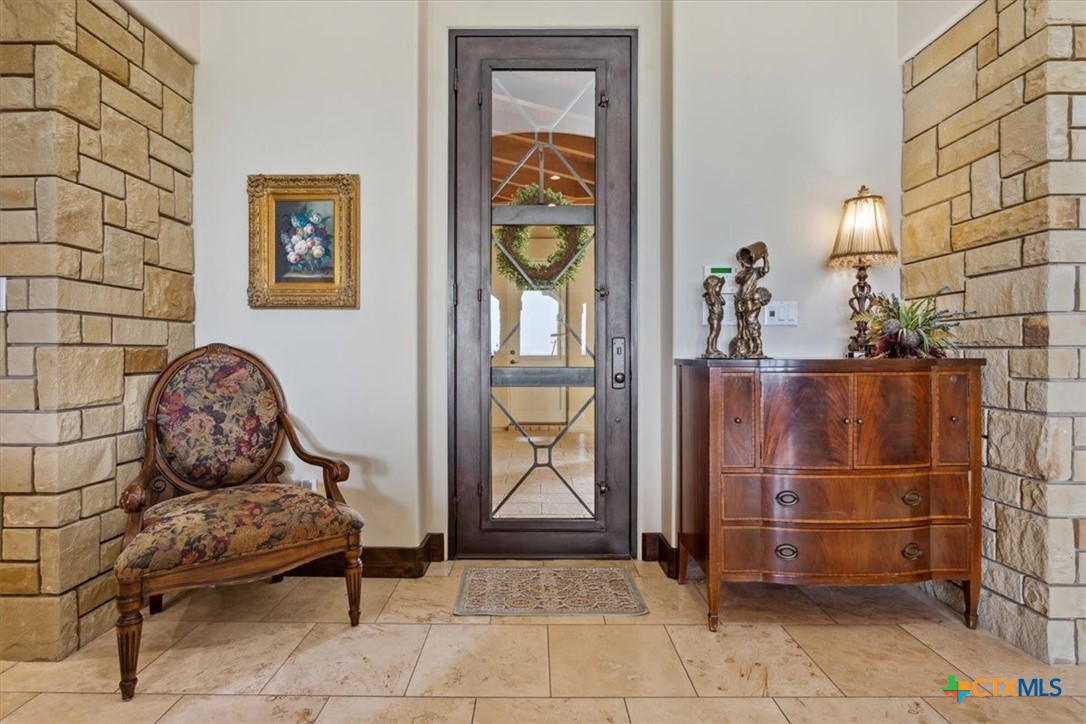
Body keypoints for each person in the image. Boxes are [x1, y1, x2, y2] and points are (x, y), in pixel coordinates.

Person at [702, 275, 726, 359]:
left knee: (717, 333)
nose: (720, 289)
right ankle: (709, 348)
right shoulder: (710, 297)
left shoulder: (717, 296)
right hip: (714, 317)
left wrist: (718, 294)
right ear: (712, 288)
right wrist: (711, 291)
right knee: (713, 332)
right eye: (719, 287)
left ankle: (714, 348)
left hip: (718, 317)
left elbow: (723, 302)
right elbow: (712, 301)